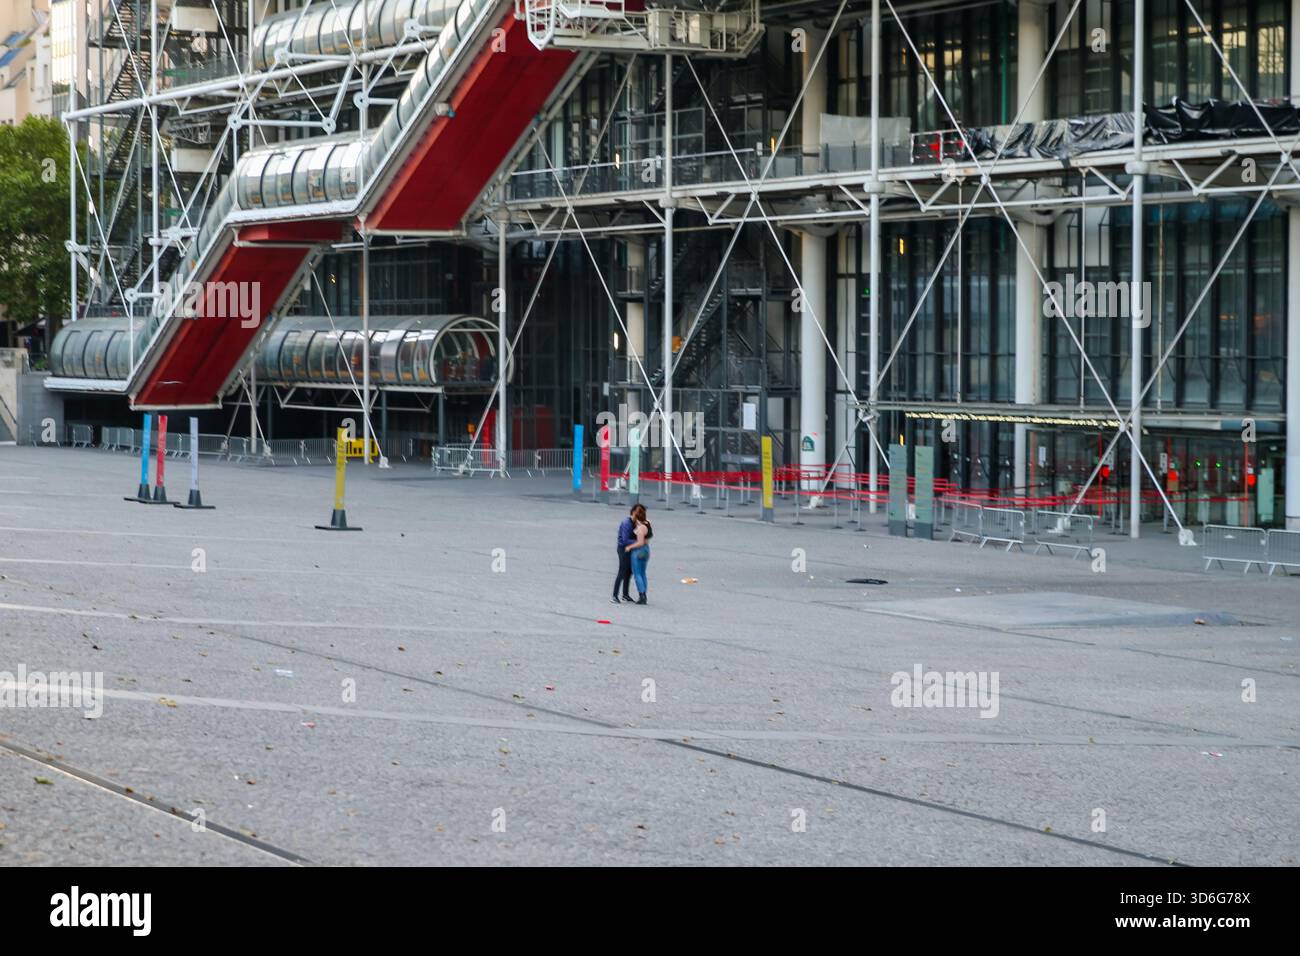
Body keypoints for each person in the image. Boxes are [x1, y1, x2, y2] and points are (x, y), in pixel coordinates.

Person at [625, 503, 653, 605]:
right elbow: (647, 539)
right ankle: (644, 593)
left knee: (637, 574)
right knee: (643, 573)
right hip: (646, 550)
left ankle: (642, 595)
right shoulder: (648, 522)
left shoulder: (640, 528)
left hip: (638, 551)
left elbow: (640, 542)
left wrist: (629, 547)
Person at [612, 505, 638, 604]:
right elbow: (625, 540)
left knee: (629, 571)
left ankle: (625, 595)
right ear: (633, 512)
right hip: (623, 549)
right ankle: (614, 595)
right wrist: (637, 540)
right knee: (622, 571)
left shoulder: (635, 522)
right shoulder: (627, 523)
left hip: (629, 549)